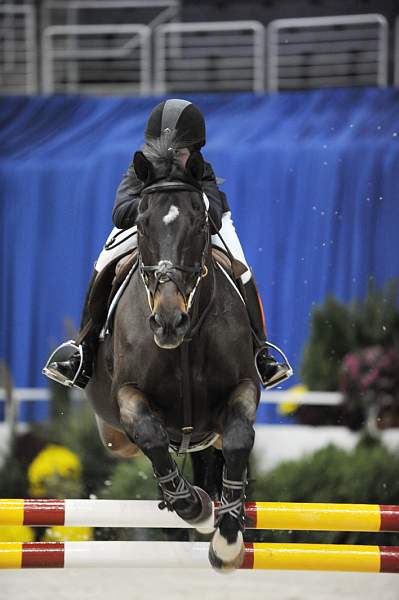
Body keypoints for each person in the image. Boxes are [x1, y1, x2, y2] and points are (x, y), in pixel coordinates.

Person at [43, 99, 292, 390]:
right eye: (172, 149)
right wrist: (155, 210)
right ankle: (83, 350)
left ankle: (261, 353)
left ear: (195, 149)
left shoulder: (202, 170)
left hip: (196, 228)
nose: (177, 156)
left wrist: (186, 204)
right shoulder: (140, 168)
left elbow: (212, 215)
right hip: (149, 228)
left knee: (242, 269)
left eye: (183, 151)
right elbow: (120, 212)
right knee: (103, 265)